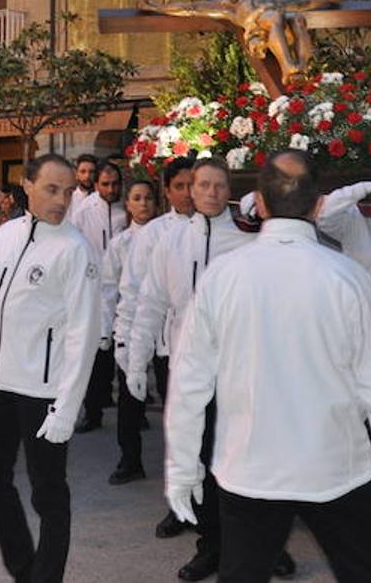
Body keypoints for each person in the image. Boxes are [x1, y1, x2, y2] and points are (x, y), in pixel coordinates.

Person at [166, 151, 371, 582]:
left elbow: (189, 385)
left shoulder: (222, 277)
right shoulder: (349, 278)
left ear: (260, 204)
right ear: (318, 205)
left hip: (250, 467)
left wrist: (182, 468)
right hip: (334, 464)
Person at [0, 154, 100, 583]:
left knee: (49, 495)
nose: (61, 200)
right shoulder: (8, 234)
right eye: (51, 189)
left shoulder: (75, 249)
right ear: (27, 185)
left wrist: (67, 407)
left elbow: (84, 334)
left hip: (44, 391)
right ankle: (26, 571)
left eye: (68, 192)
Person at [128, 158, 273, 582]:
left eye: (218, 185)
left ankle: (264, 545)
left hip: (240, 368)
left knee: (249, 459)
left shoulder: (250, 238)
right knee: (201, 458)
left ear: (229, 190)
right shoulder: (171, 240)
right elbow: (151, 302)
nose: (210, 192)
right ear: (190, 190)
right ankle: (211, 545)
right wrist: (135, 359)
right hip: (189, 370)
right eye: (202, 185)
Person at [113, 157, 194, 528]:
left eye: (195, 184)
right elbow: (134, 292)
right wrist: (127, 344)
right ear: (168, 191)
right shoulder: (155, 234)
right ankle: (181, 503)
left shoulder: (225, 230)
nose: (189, 193)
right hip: (169, 347)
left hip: (217, 348)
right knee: (178, 430)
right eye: (180, 186)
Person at [102, 179, 156, 485]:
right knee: (128, 395)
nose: (143, 203)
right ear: (128, 204)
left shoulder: (167, 236)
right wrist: (107, 328)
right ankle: (130, 458)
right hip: (131, 324)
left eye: (148, 197)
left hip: (164, 325)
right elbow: (109, 288)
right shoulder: (120, 243)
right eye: (137, 198)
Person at [73, 162, 127, 434]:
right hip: (95, 289)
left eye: (115, 184)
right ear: (96, 185)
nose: (111, 189)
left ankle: (133, 411)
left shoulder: (126, 209)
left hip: (124, 288)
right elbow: (75, 244)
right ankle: (93, 411)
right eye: (105, 184)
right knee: (95, 353)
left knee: (125, 348)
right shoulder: (84, 211)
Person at [64, 154, 98, 224]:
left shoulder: (102, 197)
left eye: (91, 172)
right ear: (76, 174)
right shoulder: (69, 198)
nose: (87, 176)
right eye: (83, 171)